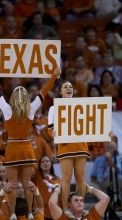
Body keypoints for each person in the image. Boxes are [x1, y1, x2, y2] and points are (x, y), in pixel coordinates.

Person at [0, 64, 61, 220]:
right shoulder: (31, 108)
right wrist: (54, 76)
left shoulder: (7, 109)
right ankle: (30, 213)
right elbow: (43, 92)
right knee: (27, 183)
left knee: (11, 184)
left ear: (13, 97)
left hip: (12, 149)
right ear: (26, 97)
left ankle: (12, 214)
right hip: (26, 148)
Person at [48, 80, 90, 217]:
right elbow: (50, 129)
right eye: (65, 87)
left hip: (80, 145)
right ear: (60, 91)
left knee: (81, 178)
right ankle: (66, 209)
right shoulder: (54, 108)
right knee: (66, 178)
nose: (68, 88)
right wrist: (53, 132)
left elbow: (91, 123)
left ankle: (79, 209)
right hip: (65, 146)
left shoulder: (81, 105)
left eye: (71, 87)